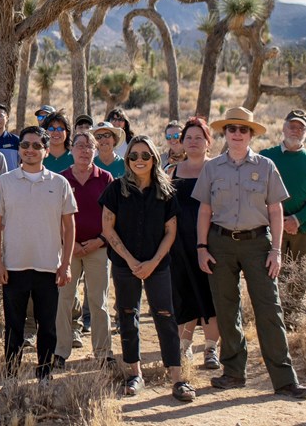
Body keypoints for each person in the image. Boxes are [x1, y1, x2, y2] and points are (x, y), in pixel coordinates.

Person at [194, 107, 306, 399]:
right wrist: (201, 247)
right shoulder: (212, 168)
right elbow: (204, 210)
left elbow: (275, 209)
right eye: (231, 129)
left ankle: (284, 380)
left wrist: (276, 251)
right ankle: (233, 373)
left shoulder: (266, 166)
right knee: (226, 307)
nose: (236, 134)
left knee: (269, 309)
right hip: (220, 243)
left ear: (250, 134)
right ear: (225, 133)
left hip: (258, 245)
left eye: (242, 130)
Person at [99, 136, 194, 401]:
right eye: (133, 156)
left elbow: (170, 232)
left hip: (158, 264)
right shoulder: (116, 189)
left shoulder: (166, 191)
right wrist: (130, 261)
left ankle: (177, 379)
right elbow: (107, 228)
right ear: (127, 160)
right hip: (123, 264)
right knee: (128, 315)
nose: (139, 160)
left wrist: (152, 263)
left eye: (145, 155)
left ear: (154, 158)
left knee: (165, 315)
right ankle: (134, 375)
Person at [0, 126, 76, 379]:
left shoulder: (60, 183)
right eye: (25, 145)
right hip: (13, 266)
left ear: (46, 151)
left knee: (47, 326)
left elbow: (69, 227)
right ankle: (11, 374)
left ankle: (44, 374)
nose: (30, 150)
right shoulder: (5, 182)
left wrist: (66, 264)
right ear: (19, 149)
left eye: (37, 146)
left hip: (48, 266)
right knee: (13, 327)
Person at [54, 131, 114, 369]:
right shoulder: (61, 179)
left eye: (89, 146)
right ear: (72, 149)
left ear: (95, 150)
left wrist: (99, 240)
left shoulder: (105, 178)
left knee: (98, 301)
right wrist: (71, 244)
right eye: (79, 146)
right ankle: (60, 351)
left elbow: (111, 216)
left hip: (98, 246)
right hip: (68, 248)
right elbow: (55, 216)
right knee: (64, 299)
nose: (84, 150)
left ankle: (103, 352)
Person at [259, 109, 306, 322]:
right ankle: (273, 318)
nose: (295, 130)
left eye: (301, 127)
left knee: (299, 274)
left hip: (302, 228)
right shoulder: (266, 156)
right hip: (269, 226)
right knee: (271, 272)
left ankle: (291, 318)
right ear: (283, 127)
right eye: (292, 126)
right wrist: (275, 220)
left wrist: (297, 219)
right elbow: (257, 192)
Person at [168, 117, 221, 369]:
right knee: (183, 294)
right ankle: (184, 348)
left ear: (208, 142)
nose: (192, 142)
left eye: (198, 137)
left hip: (212, 244)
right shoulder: (171, 172)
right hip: (179, 246)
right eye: (188, 137)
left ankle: (211, 349)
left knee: (211, 296)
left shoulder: (218, 169)